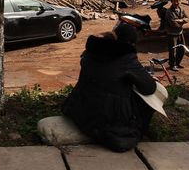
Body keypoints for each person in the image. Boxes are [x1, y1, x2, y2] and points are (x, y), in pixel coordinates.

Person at [61, 23, 160, 152]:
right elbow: (149, 88)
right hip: (107, 118)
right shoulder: (126, 57)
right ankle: (140, 131)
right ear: (130, 43)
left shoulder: (91, 49)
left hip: (80, 108)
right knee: (147, 101)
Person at [165, 0, 188, 71]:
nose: (176, 2)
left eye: (178, 1)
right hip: (172, 34)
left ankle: (177, 63)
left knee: (182, 49)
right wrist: (182, 21)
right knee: (173, 51)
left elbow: (187, 18)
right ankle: (172, 65)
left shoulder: (181, 9)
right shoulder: (169, 12)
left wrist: (179, 20)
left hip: (180, 33)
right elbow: (173, 24)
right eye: (175, 1)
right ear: (171, 1)